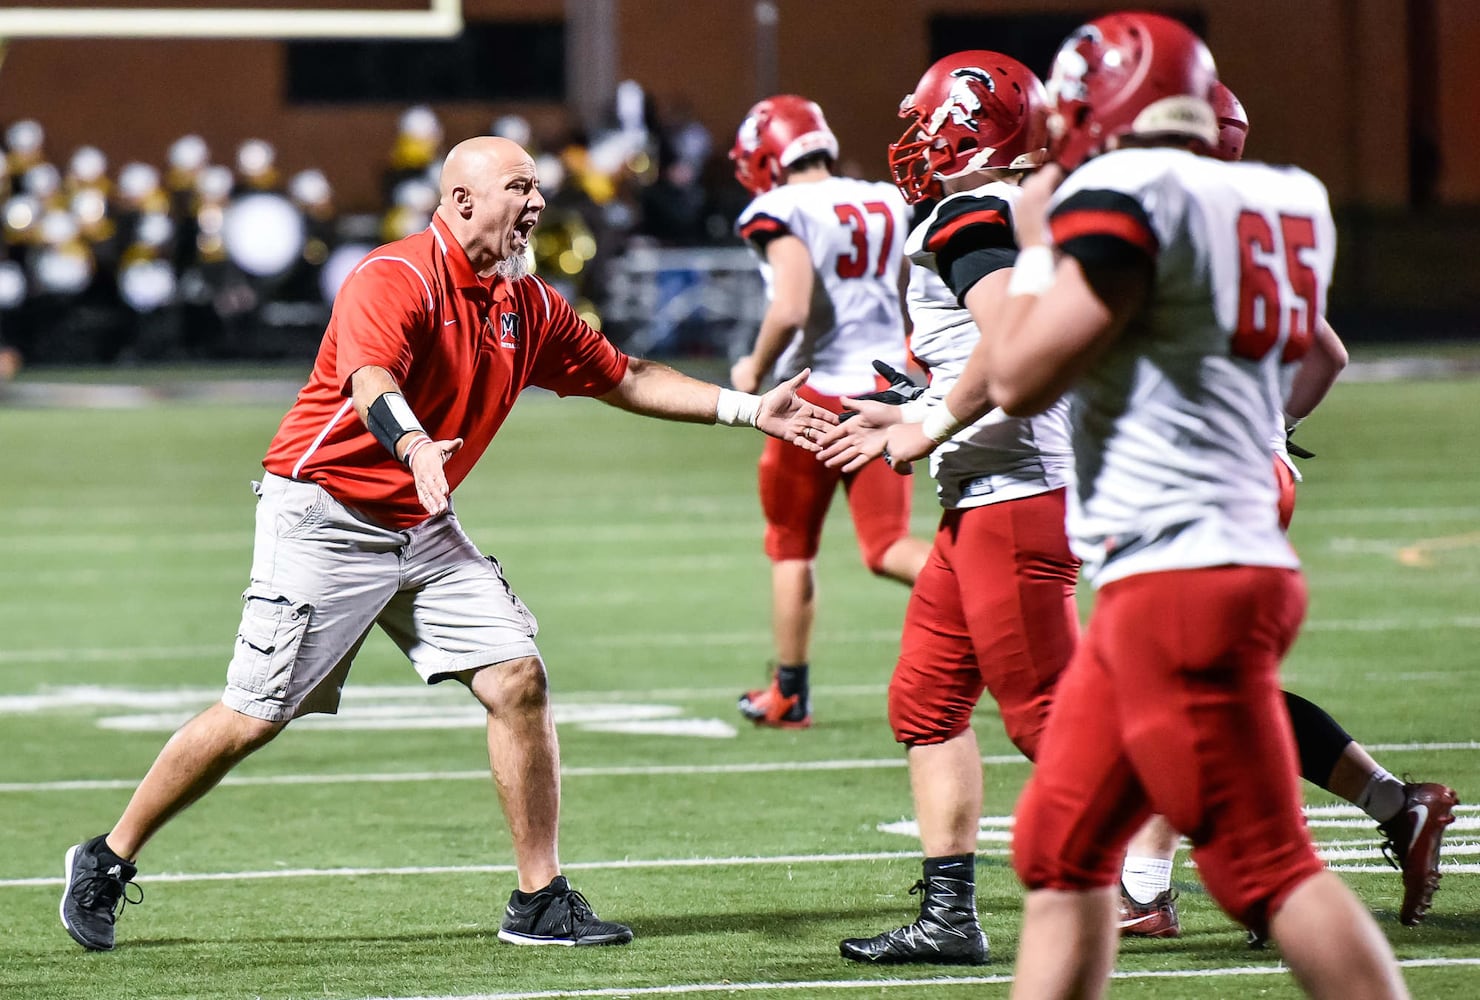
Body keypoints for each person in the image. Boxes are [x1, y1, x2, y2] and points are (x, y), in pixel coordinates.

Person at [58, 135, 838, 954]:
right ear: (461, 200)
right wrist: (416, 447)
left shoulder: (525, 301)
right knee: (255, 714)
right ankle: (107, 857)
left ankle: (539, 899)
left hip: (421, 525)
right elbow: (371, 382)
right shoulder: (394, 275)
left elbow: (624, 374)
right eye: (518, 188)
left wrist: (748, 410)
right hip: (327, 516)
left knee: (518, 678)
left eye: (537, 188)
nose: (536, 204)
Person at [883, 12, 1410, 998]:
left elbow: (1027, 372)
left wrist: (1038, 240)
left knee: (1261, 863)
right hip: (1213, 541)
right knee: (1058, 843)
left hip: (1181, 564)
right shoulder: (1284, 198)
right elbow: (1309, 354)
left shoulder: (1125, 193)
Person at [1115, 81, 1458, 942]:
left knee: (1172, 687)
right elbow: (1329, 353)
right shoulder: (1260, 216)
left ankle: (1158, 885)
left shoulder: (1170, 221)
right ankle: (1394, 804)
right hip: (1247, 468)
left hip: (1202, 478)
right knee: (1215, 684)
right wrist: (1276, 426)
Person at [810, 51, 1076, 966]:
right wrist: (914, 401)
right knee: (926, 703)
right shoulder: (1024, 205)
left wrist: (926, 420)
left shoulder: (972, 209)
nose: (915, 138)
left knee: (1049, 722)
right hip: (985, 496)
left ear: (968, 127)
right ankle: (950, 917)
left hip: (1017, 491)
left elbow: (1011, 345)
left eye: (928, 120)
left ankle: (1262, 854)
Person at [726, 95, 931, 728]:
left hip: (816, 392)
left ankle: (789, 694)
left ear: (767, 156)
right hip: (886, 387)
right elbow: (914, 291)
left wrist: (752, 374)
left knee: (791, 546)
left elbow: (790, 305)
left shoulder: (779, 207)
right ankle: (989, 600)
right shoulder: (884, 198)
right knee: (887, 545)